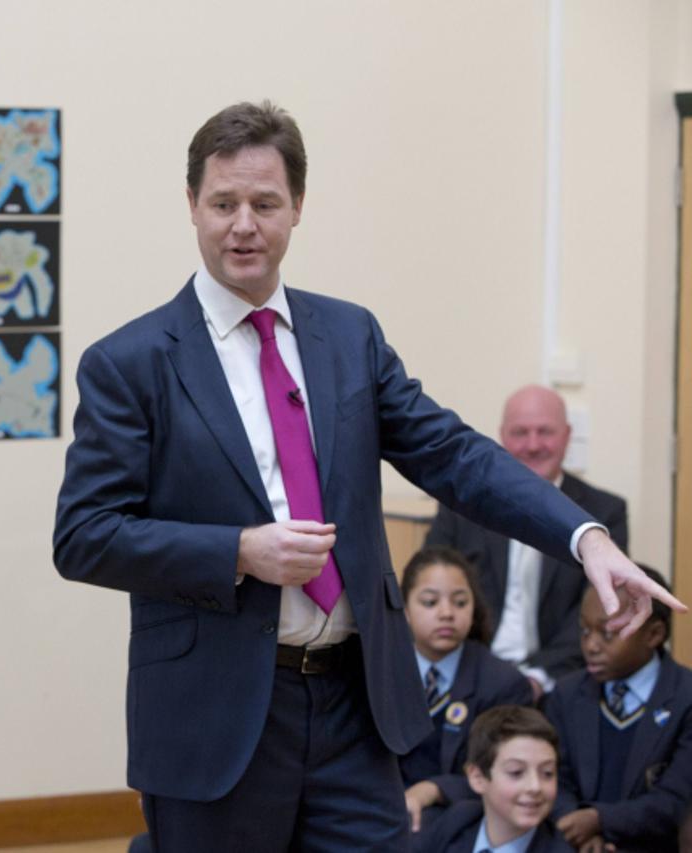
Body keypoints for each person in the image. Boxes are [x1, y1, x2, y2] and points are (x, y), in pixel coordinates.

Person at [51, 99, 682, 851]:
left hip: (356, 701)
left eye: (264, 203)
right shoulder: (130, 361)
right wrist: (239, 550)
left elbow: (454, 454)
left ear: (297, 207)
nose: (242, 224)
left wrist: (582, 537)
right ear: (191, 205)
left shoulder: (347, 335)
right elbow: (84, 534)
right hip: (215, 711)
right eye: (222, 203)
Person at [428, 385, 629, 696]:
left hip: (561, 682)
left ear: (566, 436)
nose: (533, 445)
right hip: (469, 674)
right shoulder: (461, 507)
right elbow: (429, 590)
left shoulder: (603, 513)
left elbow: (600, 610)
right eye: (520, 432)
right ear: (502, 437)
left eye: (544, 432)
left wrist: (537, 679)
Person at [546, 566, 692, 852]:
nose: (590, 645)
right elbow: (554, 778)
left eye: (607, 633)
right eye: (585, 630)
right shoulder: (565, 694)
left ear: (653, 635)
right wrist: (582, 830)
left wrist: (600, 820)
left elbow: (674, 800)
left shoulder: (686, 698)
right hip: (576, 844)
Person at [400, 546, 533, 833]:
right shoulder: (381, 672)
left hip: (465, 820)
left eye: (460, 602)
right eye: (430, 602)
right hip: (385, 812)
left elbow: (506, 774)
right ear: (405, 609)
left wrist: (433, 790)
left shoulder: (504, 684)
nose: (447, 613)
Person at [412, 705, 571, 853]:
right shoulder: (459, 820)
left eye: (547, 773)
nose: (535, 787)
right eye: (516, 772)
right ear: (477, 777)